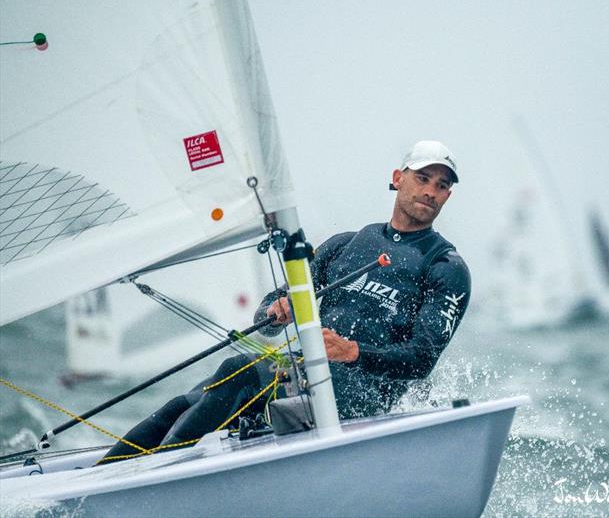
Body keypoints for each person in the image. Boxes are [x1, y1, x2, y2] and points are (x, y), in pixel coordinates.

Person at [98, 140, 471, 463]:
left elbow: (422, 358)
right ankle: (107, 475)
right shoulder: (348, 243)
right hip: (304, 377)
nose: (430, 191)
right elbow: (270, 305)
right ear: (397, 178)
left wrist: (352, 351)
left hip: (361, 401)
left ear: (448, 196)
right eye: (422, 178)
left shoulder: (445, 266)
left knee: (244, 376)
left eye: (441, 186)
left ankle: (151, 480)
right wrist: (277, 311)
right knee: (216, 381)